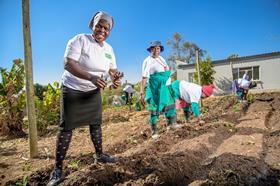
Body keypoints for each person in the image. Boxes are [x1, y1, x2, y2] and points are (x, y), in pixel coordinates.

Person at [47, 11, 122, 186]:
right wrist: (91, 77)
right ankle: (57, 169)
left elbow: (112, 71)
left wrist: (116, 78)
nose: (102, 30)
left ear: (110, 30)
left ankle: (100, 155)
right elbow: (68, 63)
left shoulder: (109, 50)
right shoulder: (80, 40)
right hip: (73, 90)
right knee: (66, 128)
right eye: (99, 26)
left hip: (93, 91)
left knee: (96, 124)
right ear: (93, 26)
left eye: (106, 28)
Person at [140, 41, 181, 139]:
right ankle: (154, 132)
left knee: (170, 105)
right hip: (155, 89)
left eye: (158, 48)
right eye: (153, 48)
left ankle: (172, 124)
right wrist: (142, 92)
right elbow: (144, 77)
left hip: (166, 87)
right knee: (154, 108)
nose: (156, 50)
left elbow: (166, 72)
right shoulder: (147, 61)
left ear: (160, 49)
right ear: (150, 50)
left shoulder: (162, 59)